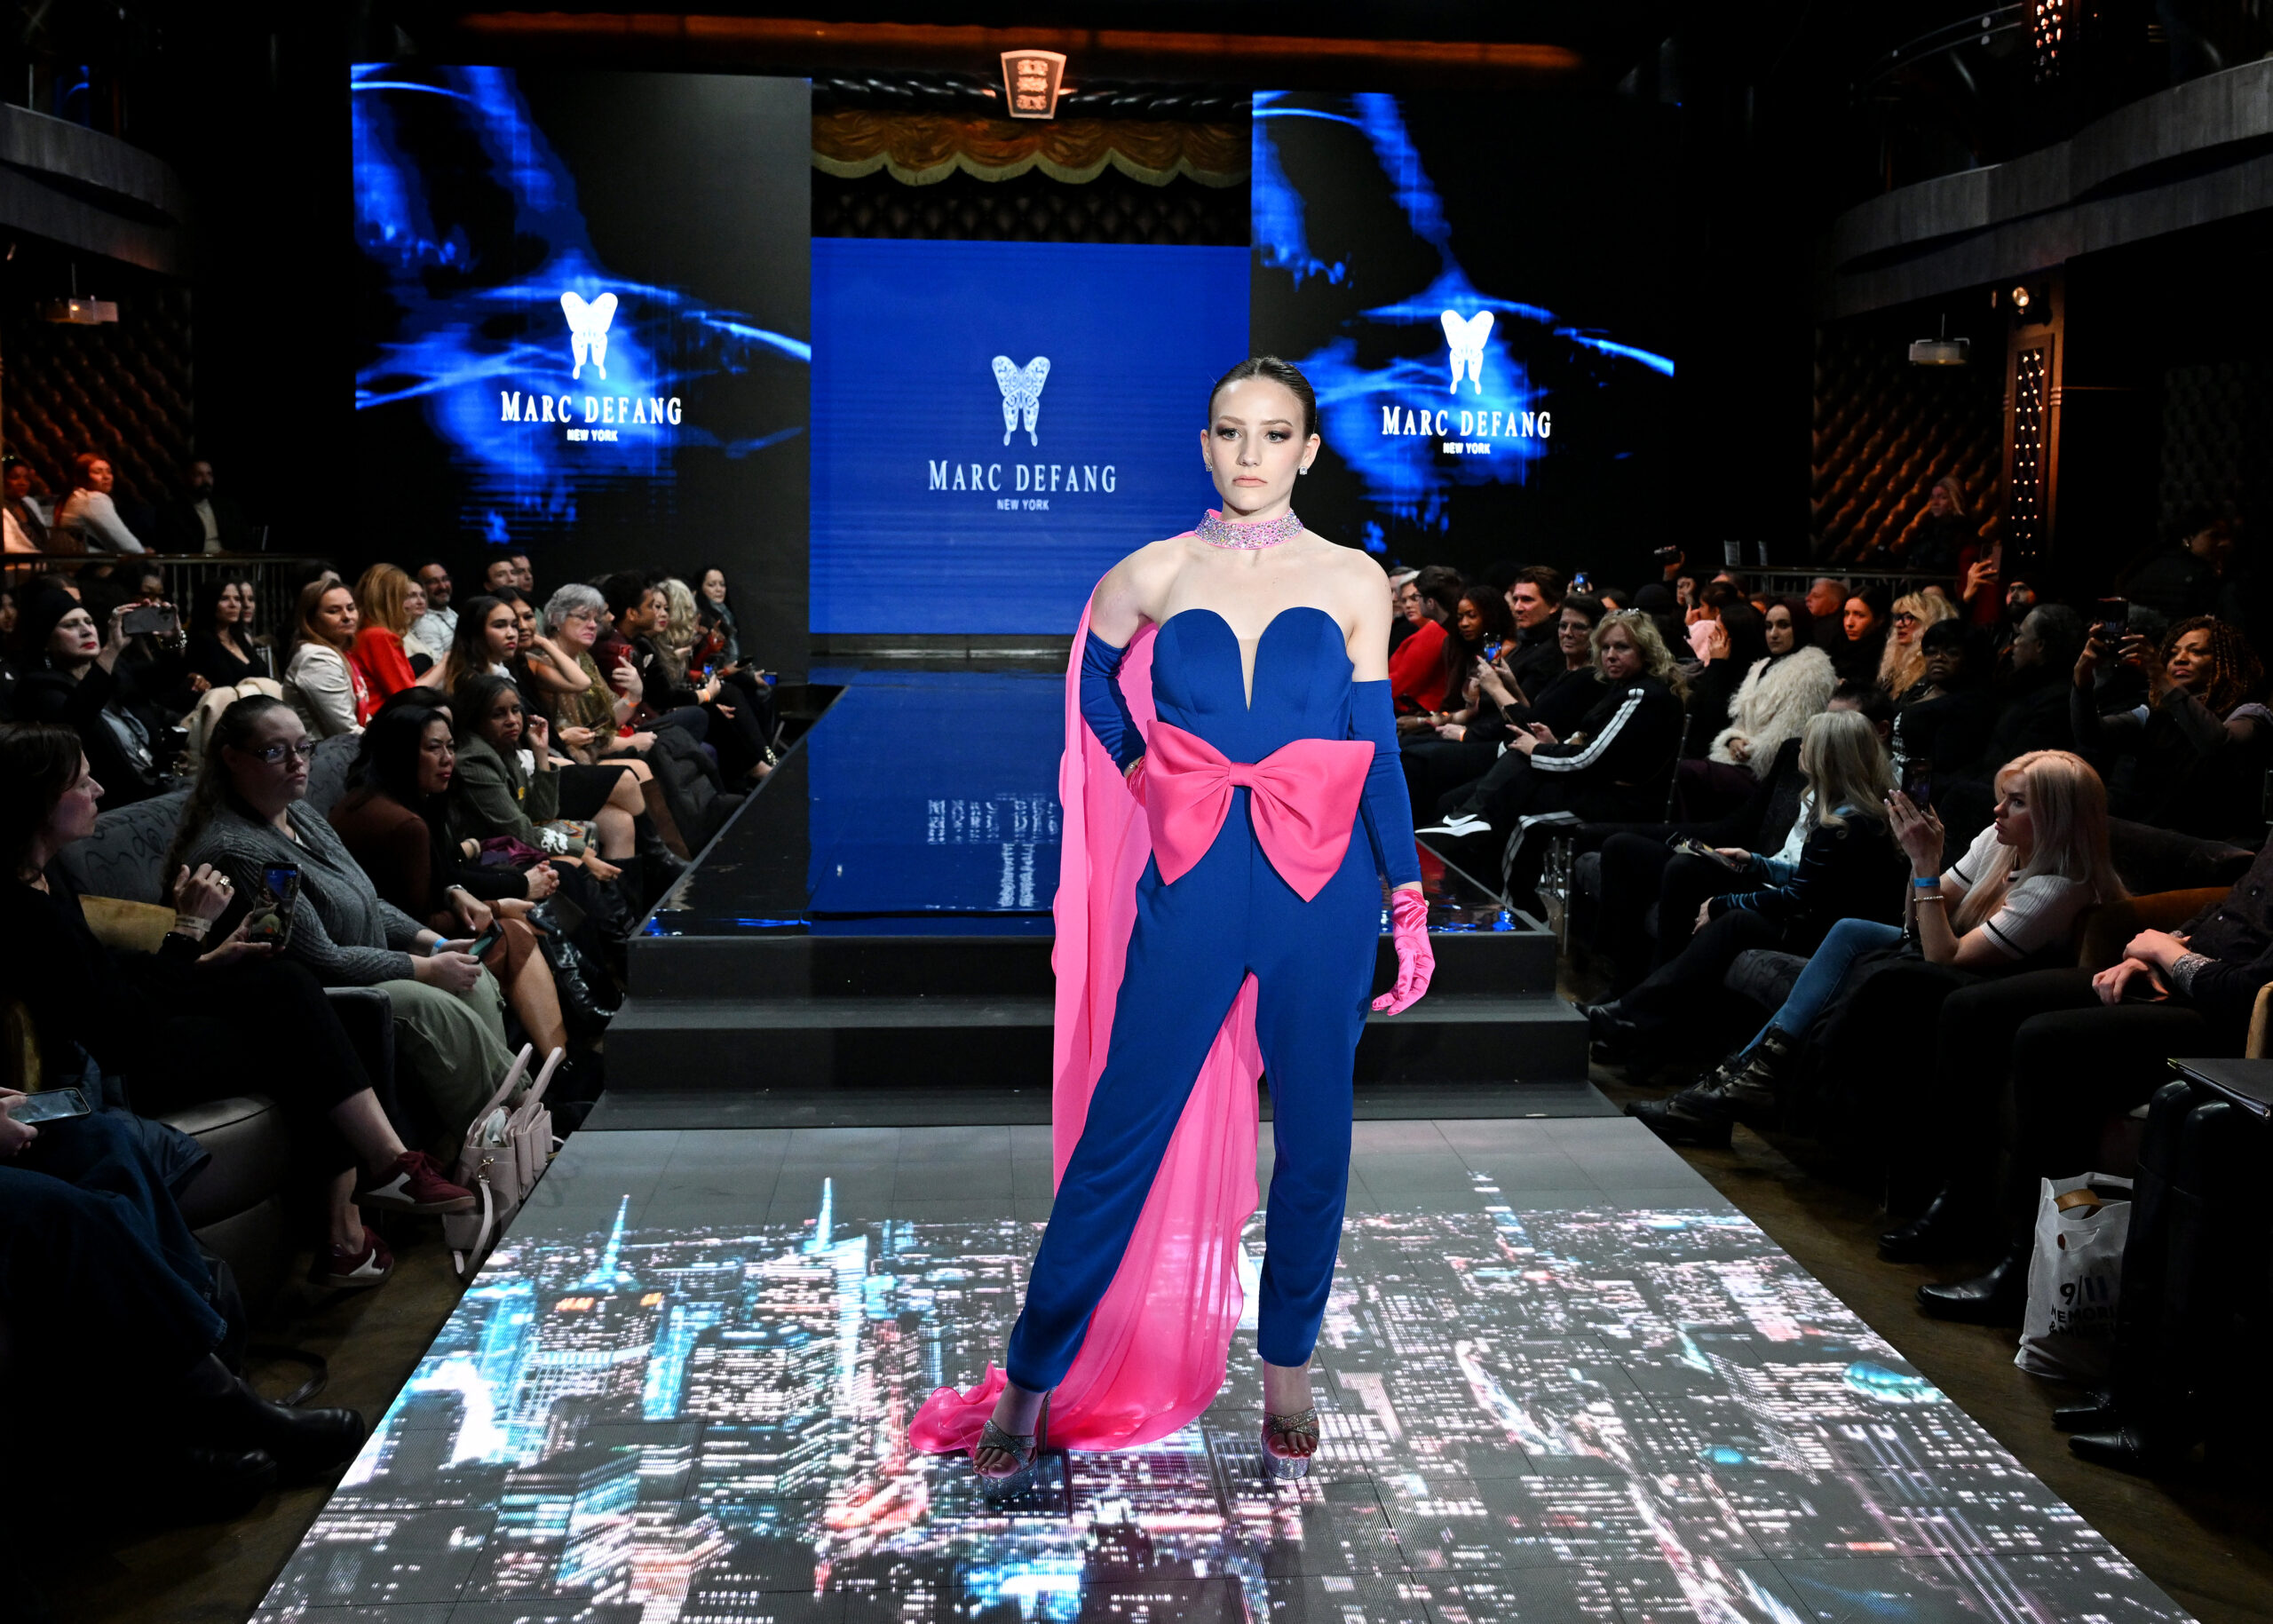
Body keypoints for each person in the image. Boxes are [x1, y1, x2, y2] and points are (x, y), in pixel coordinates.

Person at [911, 355, 1432, 1488]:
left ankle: (1286, 1369)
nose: (1251, 453)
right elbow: (1092, 683)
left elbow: (1377, 750)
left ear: (1308, 450)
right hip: (1192, 884)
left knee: (1316, 1144)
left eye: (1275, 433)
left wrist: (1405, 895)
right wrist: (1142, 765)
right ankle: (1031, 1378)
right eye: (1230, 431)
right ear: (1204, 444)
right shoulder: (1153, 569)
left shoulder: (1355, 577)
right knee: (1119, 1138)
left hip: (1324, 890)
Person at [1633, 749, 2120, 1147]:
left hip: (1984, 990)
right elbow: (1912, 923)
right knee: (1851, 930)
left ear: (2057, 817)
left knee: (1861, 960)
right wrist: (1917, 859)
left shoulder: (2059, 887)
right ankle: (1746, 1075)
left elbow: (1945, 957)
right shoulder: (2000, 843)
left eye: (2016, 803)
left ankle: (1734, 1088)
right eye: (2003, 798)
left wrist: (1925, 864)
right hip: (1945, 955)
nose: (1998, 811)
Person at [1893, 828, 2273, 1328]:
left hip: (2227, 1025)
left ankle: (2026, 1267)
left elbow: (2248, 992)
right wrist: (2146, 953)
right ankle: (1957, 1199)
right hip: (2175, 980)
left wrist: (2166, 953)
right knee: (1972, 1008)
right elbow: (2224, 912)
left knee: (2047, 1042)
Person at [168, 695, 524, 1149]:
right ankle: (495, 1146)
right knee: (433, 1006)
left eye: (304, 747)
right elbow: (319, 961)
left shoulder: (300, 815)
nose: (297, 762)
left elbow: (367, 901)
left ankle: (511, 1122)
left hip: (364, 973)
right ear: (232, 758)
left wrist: (434, 944)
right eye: (275, 751)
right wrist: (425, 968)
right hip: (324, 1002)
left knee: (474, 980)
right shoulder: (241, 852)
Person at [1584, 709, 1903, 1059]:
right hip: (1819, 920)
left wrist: (1723, 903)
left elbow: (1801, 897)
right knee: (1703, 890)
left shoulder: (1844, 823)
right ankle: (1635, 1017)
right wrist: (1757, 863)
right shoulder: (1853, 812)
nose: (1800, 749)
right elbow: (1810, 879)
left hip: (1825, 935)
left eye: (1807, 744)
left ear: (1826, 756)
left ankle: (1632, 1016)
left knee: (1735, 920)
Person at [329, 696, 569, 1060]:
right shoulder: (405, 823)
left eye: (451, 747)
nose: (447, 759)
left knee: (521, 919)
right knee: (514, 931)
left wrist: (458, 892)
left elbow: (440, 875)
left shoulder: (369, 798)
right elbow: (415, 924)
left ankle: (558, 1054)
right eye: (433, 748)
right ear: (401, 753)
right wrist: (495, 906)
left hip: (395, 937)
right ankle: (557, 1058)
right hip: (392, 954)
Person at [1420, 609, 1688, 845]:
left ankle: (1472, 820)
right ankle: (1470, 819)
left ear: (1645, 650)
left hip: (1618, 799)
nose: (1611, 656)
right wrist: (1549, 744)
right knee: (1465, 769)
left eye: (1622, 647)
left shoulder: (1640, 693)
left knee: (1511, 790)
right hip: (1584, 779)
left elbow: (1591, 758)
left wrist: (1536, 747)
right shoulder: (1616, 685)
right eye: (1605, 648)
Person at [2071, 614, 2270, 837]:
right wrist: (2083, 681)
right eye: (2173, 653)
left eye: (2197, 651)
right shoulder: (2155, 714)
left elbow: (2218, 745)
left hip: (2220, 846)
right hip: (2158, 841)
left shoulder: (2250, 712)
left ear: (2227, 663)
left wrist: (2160, 676)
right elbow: (2091, 736)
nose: (2180, 659)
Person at [450, 672, 633, 885]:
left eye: (515, 710)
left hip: (511, 842)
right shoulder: (475, 760)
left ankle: (627, 897)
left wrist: (541, 754)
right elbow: (517, 829)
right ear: (476, 719)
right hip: (483, 855)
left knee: (619, 821)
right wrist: (579, 851)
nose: (512, 720)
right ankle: (613, 902)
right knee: (573, 862)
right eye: (498, 714)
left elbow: (543, 813)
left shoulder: (505, 747)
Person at [12, 590, 169, 805]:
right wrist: (111, 649)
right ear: (46, 641)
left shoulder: (117, 670)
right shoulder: (38, 686)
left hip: (157, 785)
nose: (86, 631)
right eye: (70, 625)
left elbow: (168, 676)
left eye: (89, 622)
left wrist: (173, 639)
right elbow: (76, 718)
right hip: (111, 803)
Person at [283, 577, 375, 737]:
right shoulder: (317, 659)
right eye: (333, 611)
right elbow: (345, 732)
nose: (347, 616)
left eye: (351, 608)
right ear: (311, 620)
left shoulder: (340, 651)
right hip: (319, 750)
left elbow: (361, 718)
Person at [1387, 566, 1461, 714]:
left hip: (1422, 714)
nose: (1408, 605)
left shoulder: (1434, 631)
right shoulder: (1425, 631)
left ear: (1429, 599)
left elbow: (1402, 681)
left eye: (1415, 598)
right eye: (1404, 600)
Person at [421, 592, 519, 693]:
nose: (511, 634)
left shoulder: (502, 671)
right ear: (475, 630)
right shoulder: (473, 682)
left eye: (515, 625)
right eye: (499, 626)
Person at [349, 564, 422, 701]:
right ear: (390, 601)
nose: (410, 605)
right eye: (406, 597)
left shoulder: (366, 632)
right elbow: (405, 694)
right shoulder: (378, 636)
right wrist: (444, 665)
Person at [54, 454, 145, 555]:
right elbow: (128, 545)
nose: (106, 477)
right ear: (82, 477)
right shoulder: (93, 499)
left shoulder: (77, 496)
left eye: (109, 472)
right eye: (97, 472)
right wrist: (144, 553)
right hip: (91, 562)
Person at [186, 576, 268, 687]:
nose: (233, 605)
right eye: (224, 598)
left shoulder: (239, 638)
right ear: (210, 602)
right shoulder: (203, 641)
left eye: (237, 599)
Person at [1878, 590, 1956, 701]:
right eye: (1898, 617)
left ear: (1929, 622)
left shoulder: (1938, 668)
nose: (1898, 624)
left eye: (1909, 617)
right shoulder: (1893, 667)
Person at [157, 459, 247, 555]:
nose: (206, 480)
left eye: (209, 474)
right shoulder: (174, 510)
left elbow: (244, 539)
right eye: (198, 475)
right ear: (185, 478)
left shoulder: (227, 507)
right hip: (196, 562)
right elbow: (176, 547)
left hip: (229, 561)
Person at [1501, 566, 1566, 698]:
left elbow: (1522, 704)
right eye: (1515, 599)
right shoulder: (1523, 640)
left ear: (1553, 605)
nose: (1518, 607)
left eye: (1527, 600)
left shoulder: (1553, 651)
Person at [1894, 475, 1974, 577]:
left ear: (1955, 501)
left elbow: (1941, 563)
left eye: (1943, 497)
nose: (1935, 503)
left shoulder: (1956, 529)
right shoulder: (1930, 527)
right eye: (1933, 497)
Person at [1832, 589, 1888, 685]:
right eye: (1846, 614)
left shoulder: (1885, 656)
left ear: (1879, 620)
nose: (1849, 623)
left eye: (1860, 615)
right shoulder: (1836, 646)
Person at [407, 561, 458, 663]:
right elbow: (437, 664)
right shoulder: (424, 623)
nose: (443, 587)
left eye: (445, 579)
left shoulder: (449, 611)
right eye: (433, 582)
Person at [3, 456, 50, 554]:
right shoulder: (3, 507)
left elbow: (44, 534)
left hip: (41, 559)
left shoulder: (30, 503)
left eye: (27, 479)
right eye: (15, 478)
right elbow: (7, 546)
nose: (22, 483)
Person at [697, 566, 742, 668]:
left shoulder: (728, 615)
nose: (719, 589)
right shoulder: (701, 617)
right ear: (701, 588)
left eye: (722, 585)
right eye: (711, 585)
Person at [1805, 577, 1848, 650]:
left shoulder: (1830, 631)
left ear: (1834, 606)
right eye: (1810, 594)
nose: (1807, 599)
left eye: (1816, 596)